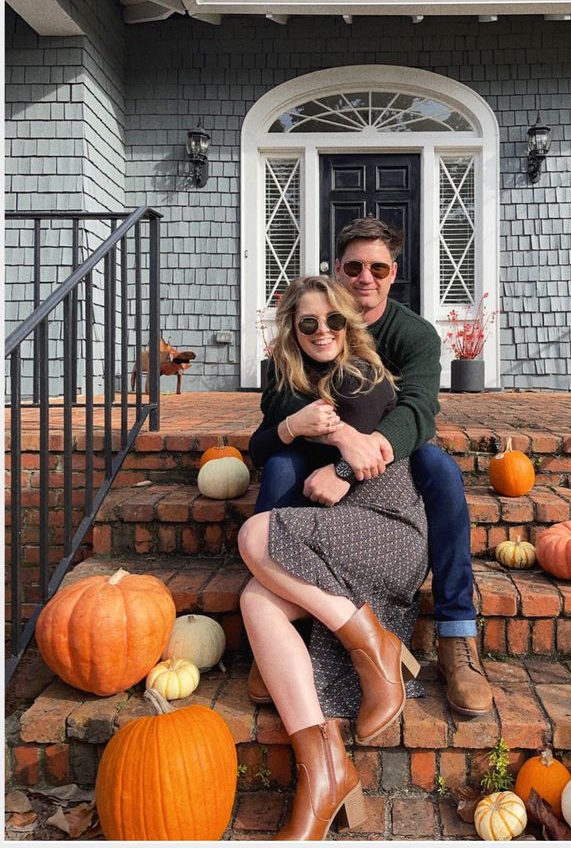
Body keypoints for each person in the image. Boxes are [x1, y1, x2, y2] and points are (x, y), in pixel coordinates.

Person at [252, 218, 493, 716]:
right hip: (318, 449)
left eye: (378, 268)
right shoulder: (307, 323)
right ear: (337, 271)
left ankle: (456, 633)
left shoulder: (413, 334)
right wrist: (330, 434)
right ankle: (279, 624)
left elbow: (418, 409)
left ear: (393, 273)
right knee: (279, 468)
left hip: (391, 451)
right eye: (355, 267)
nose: (366, 277)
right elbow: (276, 405)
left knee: (441, 471)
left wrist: (356, 457)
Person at [239, 275, 428, 841]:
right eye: (309, 323)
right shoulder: (290, 383)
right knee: (256, 599)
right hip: (336, 536)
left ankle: (377, 648)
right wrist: (291, 426)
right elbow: (261, 444)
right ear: (292, 331)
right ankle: (324, 769)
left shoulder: (364, 373)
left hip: (387, 530)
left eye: (334, 320)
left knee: (255, 536)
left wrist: (337, 446)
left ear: (349, 323)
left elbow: (363, 433)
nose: (323, 331)